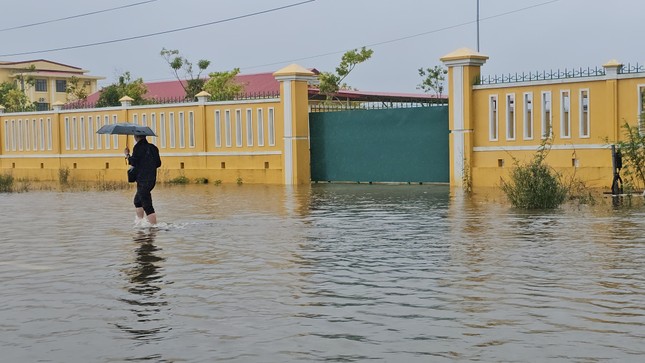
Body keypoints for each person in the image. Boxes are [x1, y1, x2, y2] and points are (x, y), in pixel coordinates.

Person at [124, 135, 162, 225]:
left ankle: (153, 227)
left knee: (146, 203)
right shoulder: (153, 147)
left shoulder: (138, 147)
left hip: (143, 179)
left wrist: (127, 155)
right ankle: (140, 222)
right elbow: (158, 163)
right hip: (152, 179)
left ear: (136, 137)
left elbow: (134, 162)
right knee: (137, 200)